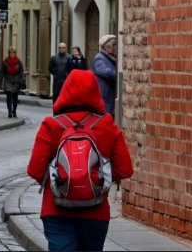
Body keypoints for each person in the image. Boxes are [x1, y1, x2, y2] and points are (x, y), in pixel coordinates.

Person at [26, 69, 134, 251]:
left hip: (56, 210)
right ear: (95, 92)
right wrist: (95, 180)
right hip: (95, 212)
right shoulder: (107, 126)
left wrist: (60, 182)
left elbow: (34, 170)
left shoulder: (51, 126)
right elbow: (125, 169)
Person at [94, 35, 118, 118]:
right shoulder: (99, 58)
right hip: (105, 95)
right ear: (107, 46)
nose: (115, 47)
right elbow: (104, 72)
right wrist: (117, 74)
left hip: (110, 94)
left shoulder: (111, 57)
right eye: (114, 45)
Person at [2, 47, 25, 118]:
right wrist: (0, 80)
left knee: (15, 97)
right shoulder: (5, 61)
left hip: (16, 80)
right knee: (9, 96)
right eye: (10, 53)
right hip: (8, 79)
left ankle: (14, 111)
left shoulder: (18, 61)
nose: (12, 54)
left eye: (13, 53)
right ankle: (9, 111)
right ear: (9, 53)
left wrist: (23, 80)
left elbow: (21, 71)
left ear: (15, 53)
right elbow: (2, 71)